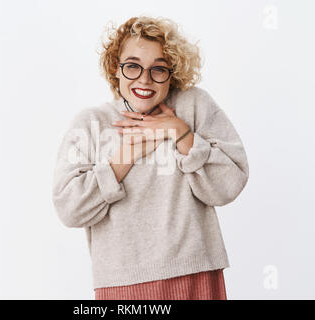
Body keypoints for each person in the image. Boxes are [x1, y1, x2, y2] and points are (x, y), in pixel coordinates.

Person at [52, 16, 249, 300]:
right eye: (132, 66)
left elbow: (229, 183)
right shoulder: (91, 123)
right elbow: (69, 207)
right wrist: (126, 155)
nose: (145, 79)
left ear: (173, 73)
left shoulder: (193, 106)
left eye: (159, 69)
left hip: (195, 272)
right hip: (122, 283)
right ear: (115, 69)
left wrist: (180, 133)